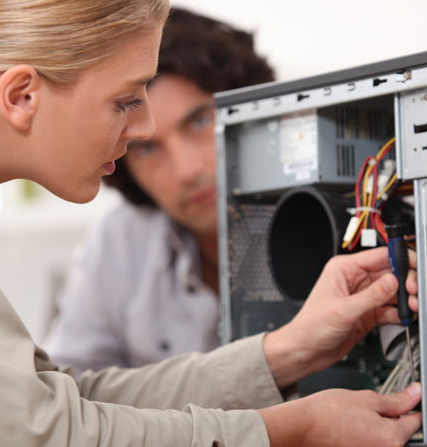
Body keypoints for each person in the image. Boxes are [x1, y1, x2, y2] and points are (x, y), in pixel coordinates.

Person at [0, 1, 421, 447]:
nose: (143, 126)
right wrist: (283, 431)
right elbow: (35, 445)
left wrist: (285, 353)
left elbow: (60, 410)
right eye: (126, 99)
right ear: (21, 96)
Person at [43, 8, 276, 373]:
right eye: (147, 148)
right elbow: (69, 394)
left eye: (199, 121)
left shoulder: (343, 217)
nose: (187, 171)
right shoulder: (119, 240)